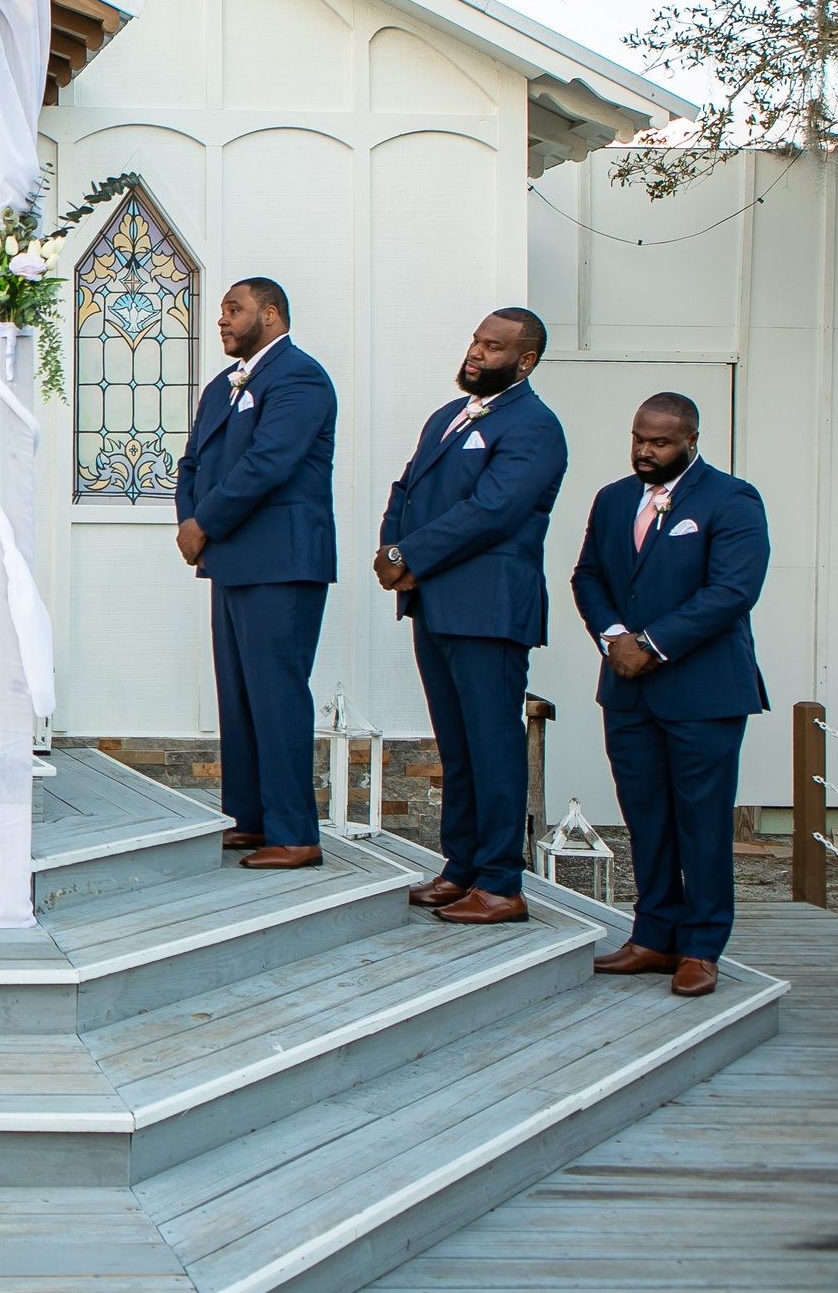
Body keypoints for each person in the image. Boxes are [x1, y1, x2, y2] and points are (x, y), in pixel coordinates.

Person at [570, 393, 769, 998]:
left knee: (702, 823)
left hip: (702, 694)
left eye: (659, 442)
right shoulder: (611, 499)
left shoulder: (731, 499)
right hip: (628, 694)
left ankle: (701, 947)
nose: (645, 451)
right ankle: (653, 936)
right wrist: (613, 638)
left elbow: (732, 590)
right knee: (647, 819)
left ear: (691, 438)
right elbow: (589, 576)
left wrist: (651, 644)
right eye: (638, 439)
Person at [376, 309, 569, 924]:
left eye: (493, 347)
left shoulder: (535, 426)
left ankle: (501, 883)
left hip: (488, 608)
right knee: (457, 746)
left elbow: (493, 510)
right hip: (434, 600)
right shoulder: (448, 416)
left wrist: (410, 554)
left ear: (526, 360)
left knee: (493, 745)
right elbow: (404, 488)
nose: (477, 354)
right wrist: (390, 549)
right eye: (476, 342)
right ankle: (459, 868)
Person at [175, 278, 337, 870]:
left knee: (277, 696)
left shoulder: (300, 376)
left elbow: (269, 462)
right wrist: (189, 520)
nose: (222, 320)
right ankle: (248, 818)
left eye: (233, 309)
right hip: (230, 559)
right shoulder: (224, 384)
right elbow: (193, 459)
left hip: (282, 559)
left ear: (270, 315)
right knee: (238, 696)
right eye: (222, 310)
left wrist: (205, 524)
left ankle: (295, 833)